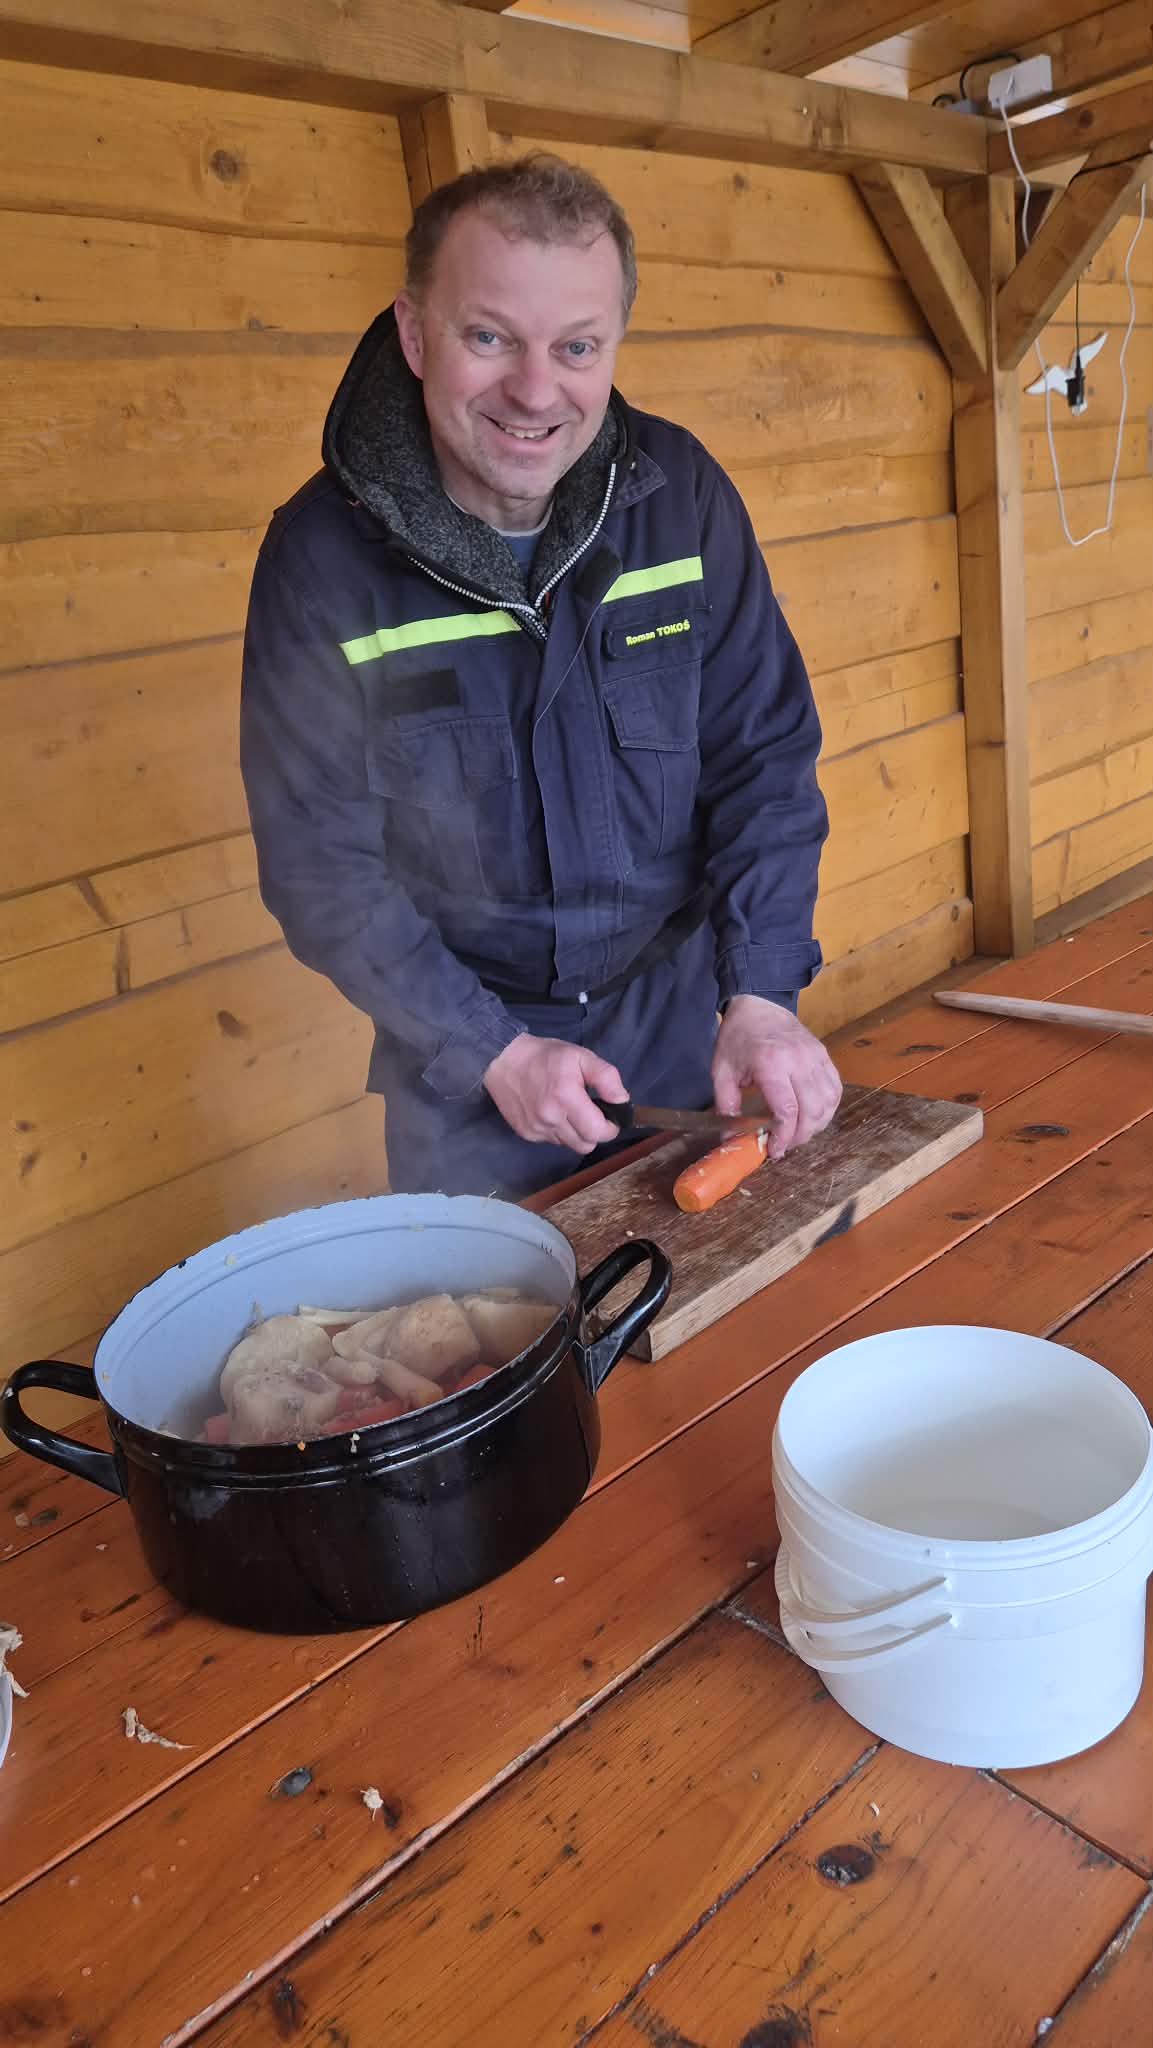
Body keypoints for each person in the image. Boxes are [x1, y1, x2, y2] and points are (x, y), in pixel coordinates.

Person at [240, 154, 841, 1197]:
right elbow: (318, 865)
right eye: (488, 337)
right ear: (415, 334)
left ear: (612, 345)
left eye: (576, 347)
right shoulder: (321, 561)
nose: (533, 389)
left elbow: (766, 760)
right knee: (496, 1310)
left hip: (681, 1032)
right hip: (465, 1065)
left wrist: (762, 993)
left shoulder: (682, 498)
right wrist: (492, 1050)